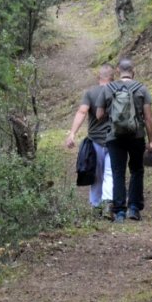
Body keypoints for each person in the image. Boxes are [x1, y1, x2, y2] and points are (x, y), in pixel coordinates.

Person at [104, 57, 152, 222]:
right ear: (133, 71)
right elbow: (148, 118)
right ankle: (133, 208)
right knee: (137, 170)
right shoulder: (142, 89)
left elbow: (99, 114)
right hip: (137, 135)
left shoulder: (108, 88)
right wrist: (151, 141)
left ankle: (119, 211)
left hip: (114, 136)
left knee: (118, 172)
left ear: (118, 70)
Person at [63, 64, 116, 215]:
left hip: (96, 141)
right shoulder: (118, 92)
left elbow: (82, 112)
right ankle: (107, 205)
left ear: (98, 77)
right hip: (115, 140)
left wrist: (72, 133)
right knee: (110, 173)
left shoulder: (90, 93)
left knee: (97, 174)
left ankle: (95, 206)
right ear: (113, 78)